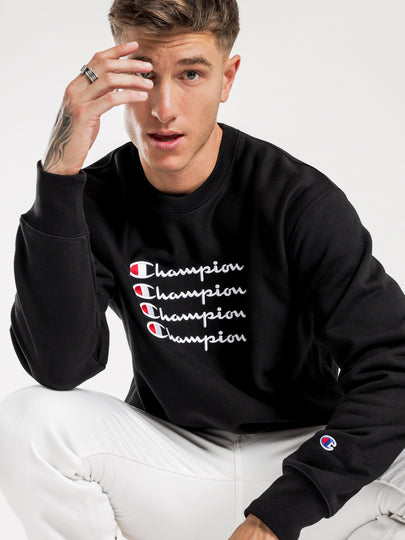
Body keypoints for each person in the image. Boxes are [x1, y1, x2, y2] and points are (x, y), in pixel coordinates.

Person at [1, 0, 405, 539]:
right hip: (169, 466)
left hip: (302, 464)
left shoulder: (296, 200)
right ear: (114, 80)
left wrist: (280, 514)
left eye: (191, 74)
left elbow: (392, 367)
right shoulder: (90, 201)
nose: (164, 108)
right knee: (27, 422)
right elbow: (58, 368)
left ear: (227, 78)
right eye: (145, 75)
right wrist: (59, 174)